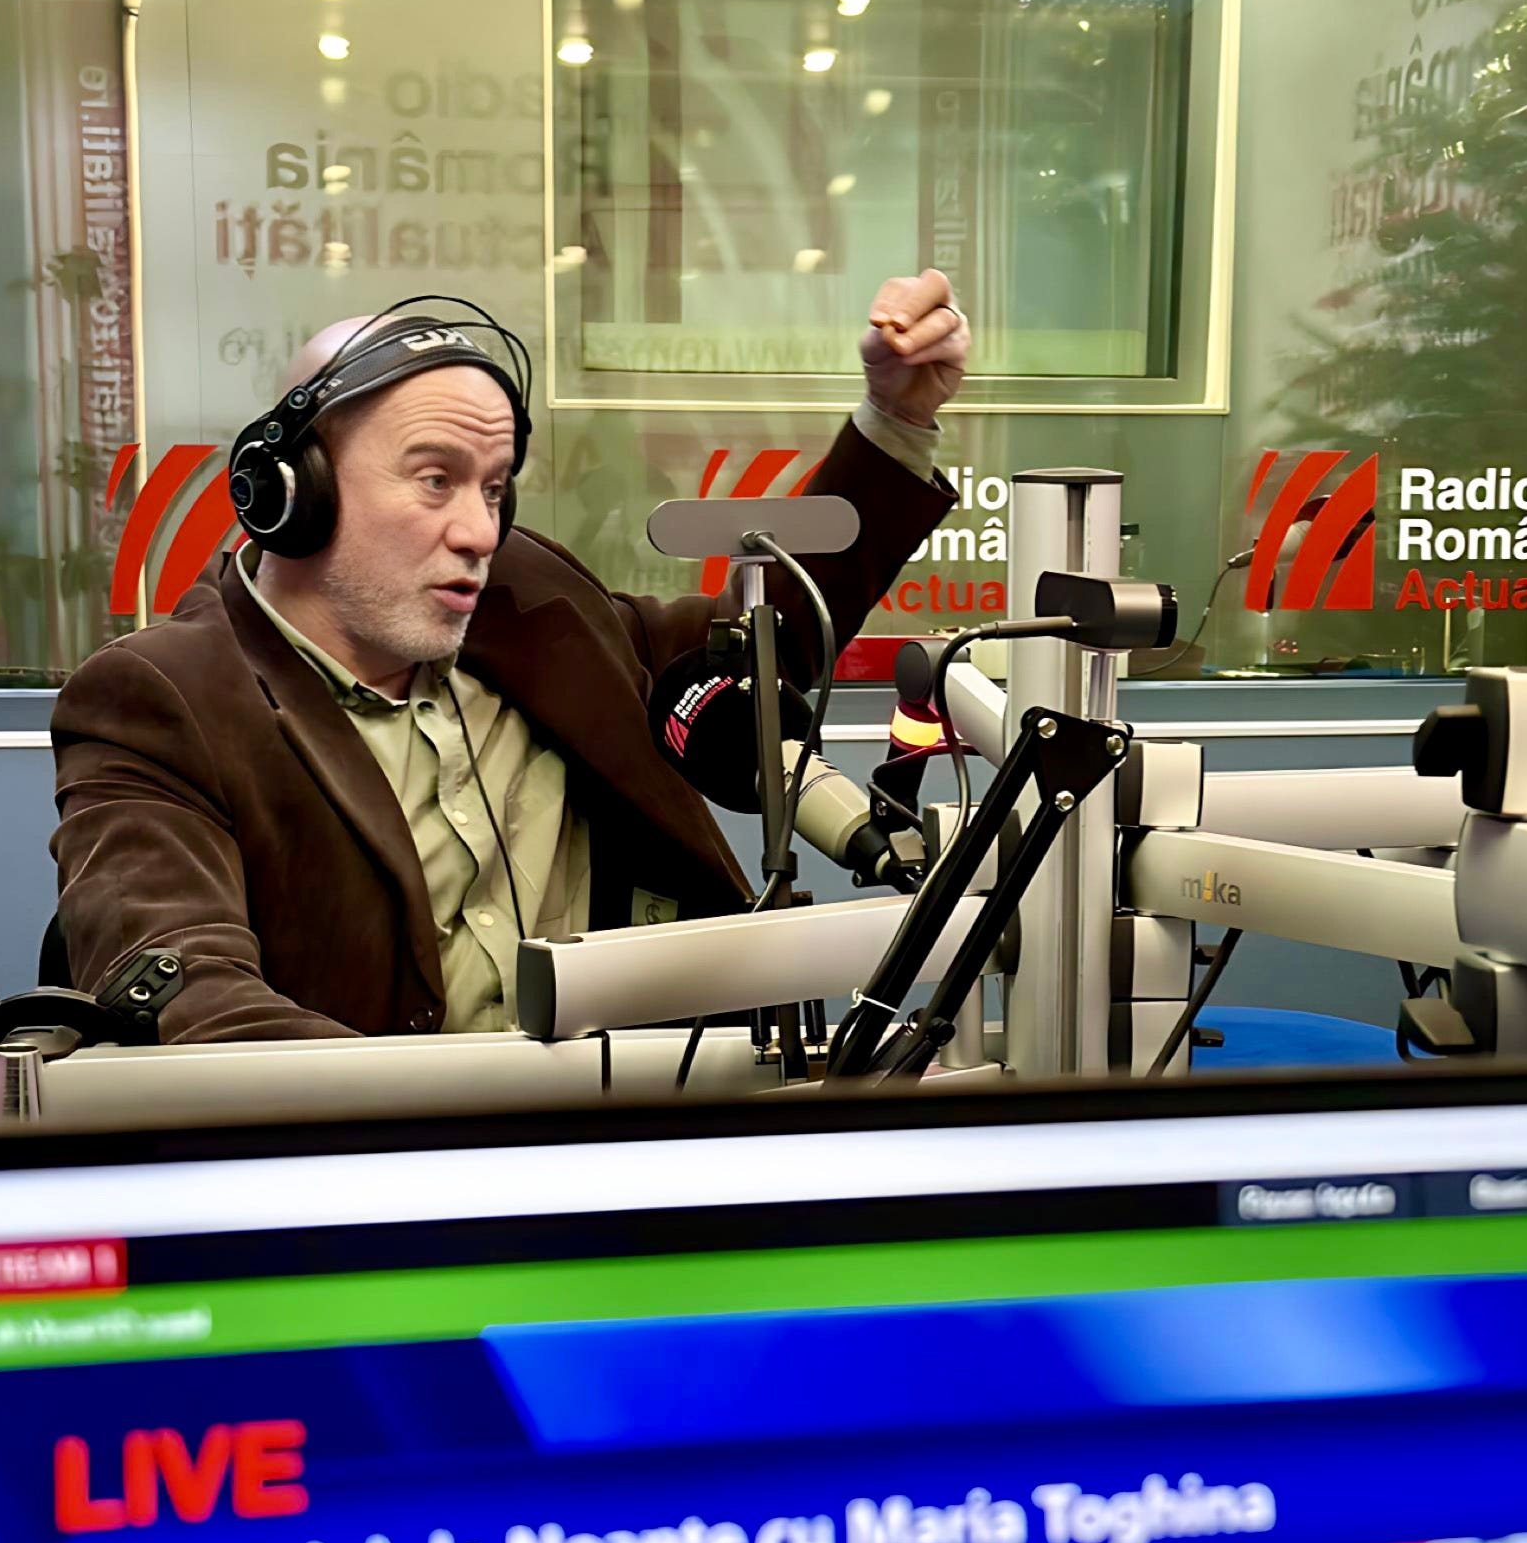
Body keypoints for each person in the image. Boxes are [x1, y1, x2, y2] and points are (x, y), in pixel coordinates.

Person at [52, 272, 971, 1040]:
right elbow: (194, 1003)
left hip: (648, 1140)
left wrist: (894, 419)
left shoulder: (531, 603)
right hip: (379, 1176)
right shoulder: (160, 702)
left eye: (493, 491)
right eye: (435, 480)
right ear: (296, 490)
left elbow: (759, 649)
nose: (479, 532)